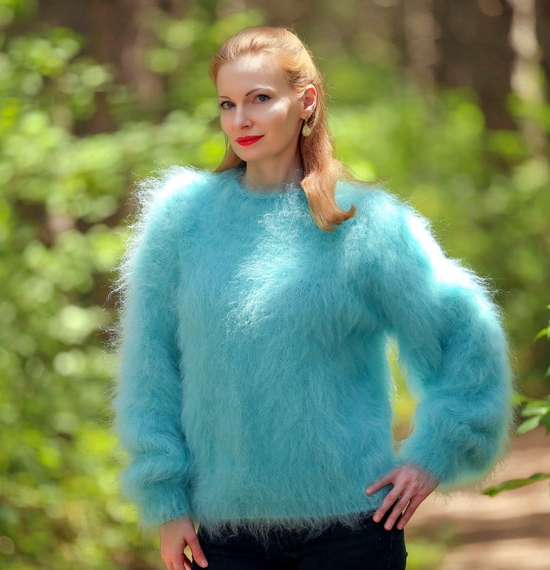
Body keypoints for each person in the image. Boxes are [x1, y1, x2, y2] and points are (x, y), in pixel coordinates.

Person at [114, 26, 512, 570]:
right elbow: (150, 368)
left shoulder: (364, 224)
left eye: (260, 99)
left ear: (306, 102)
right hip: (226, 538)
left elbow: (465, 331)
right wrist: (165, 498)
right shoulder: (181, 219)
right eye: (228, 104)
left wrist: (435, 455)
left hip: (353, 532)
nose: (241, 119)